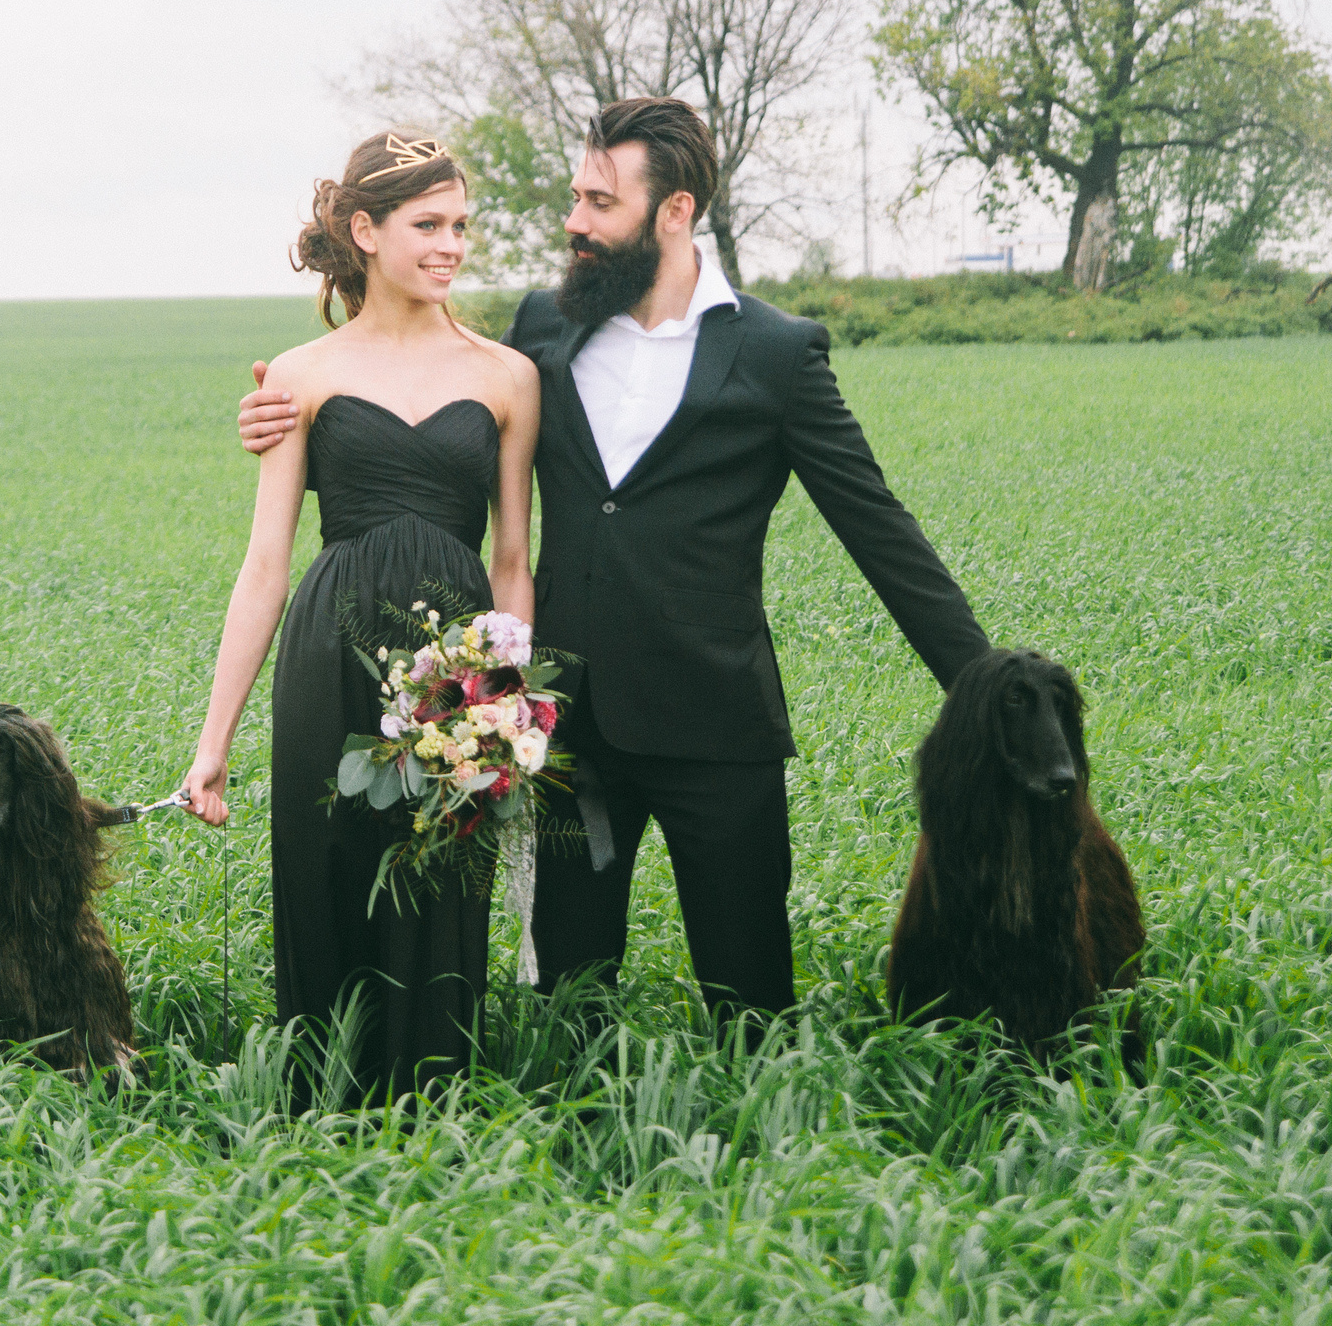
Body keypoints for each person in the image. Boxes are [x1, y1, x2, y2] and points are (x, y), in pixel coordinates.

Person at [237, 97, 989, 1033]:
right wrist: (282, 413)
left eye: (600, 201)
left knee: (751, 1005)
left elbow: (881, 530)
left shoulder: (775, 354)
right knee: (567, 1016)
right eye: (576, 195)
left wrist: (990, 685)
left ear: (673, 212)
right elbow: (422, 409)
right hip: (575, 735)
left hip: (720, 728)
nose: (573, 221)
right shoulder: (546, 330)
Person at [182, 128, 540, 1097]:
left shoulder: (507, 375)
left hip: (458, 663)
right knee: (327, 870)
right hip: (327, 653)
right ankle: (319, 1111)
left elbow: (511, 557)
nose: (451, 244)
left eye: (461, 224)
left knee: (440, 889)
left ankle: (431, 1104)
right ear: (365, 230)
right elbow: (264, 566)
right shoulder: (298, 375)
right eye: (428, 224)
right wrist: (212, 743)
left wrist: (509, 706)